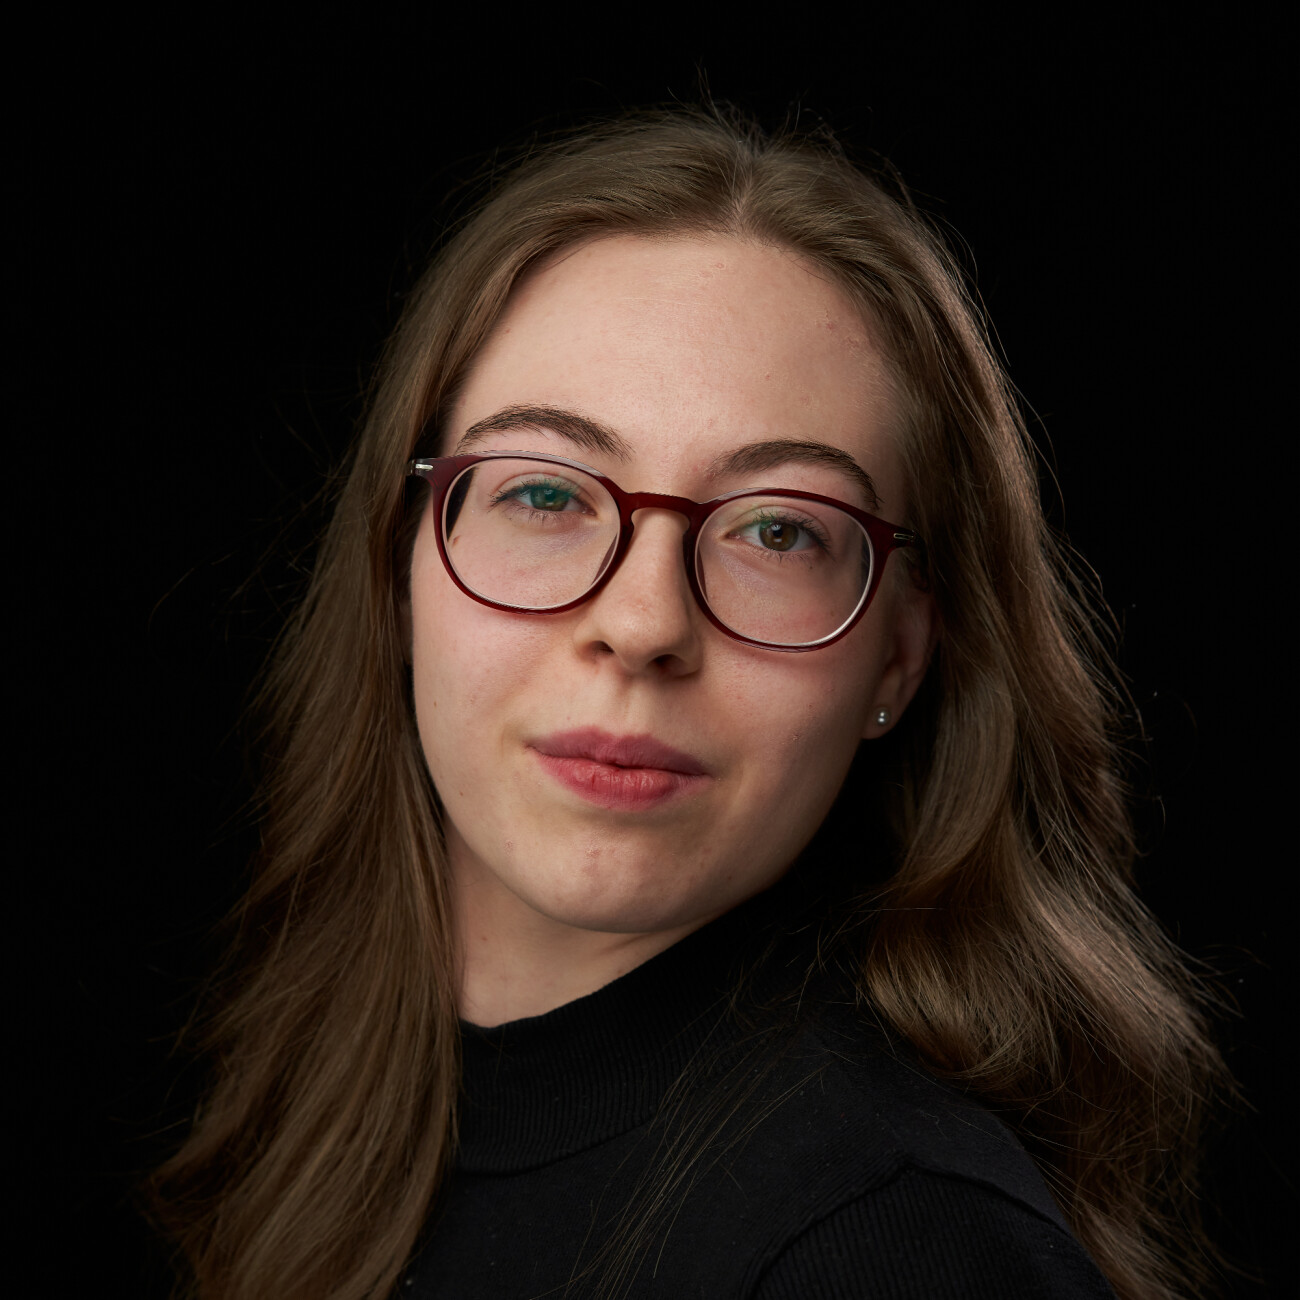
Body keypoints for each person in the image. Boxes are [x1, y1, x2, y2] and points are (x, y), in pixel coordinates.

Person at [151, 107, 1227, 1299]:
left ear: (898, 658)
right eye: (545, 495)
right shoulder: (324, 1088)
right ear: (399, 562)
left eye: (777, 530)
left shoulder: (896, 1246)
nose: (644, 623)